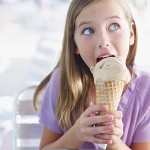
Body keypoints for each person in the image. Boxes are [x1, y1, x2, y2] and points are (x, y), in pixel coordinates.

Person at [33, 0, 150, 149]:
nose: (103, 41)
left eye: (114, 26)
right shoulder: (62, 81)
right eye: (88, 30)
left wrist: (114, 143)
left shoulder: (146, 90)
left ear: (131, 33)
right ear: (75, 44)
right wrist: (75, 135)